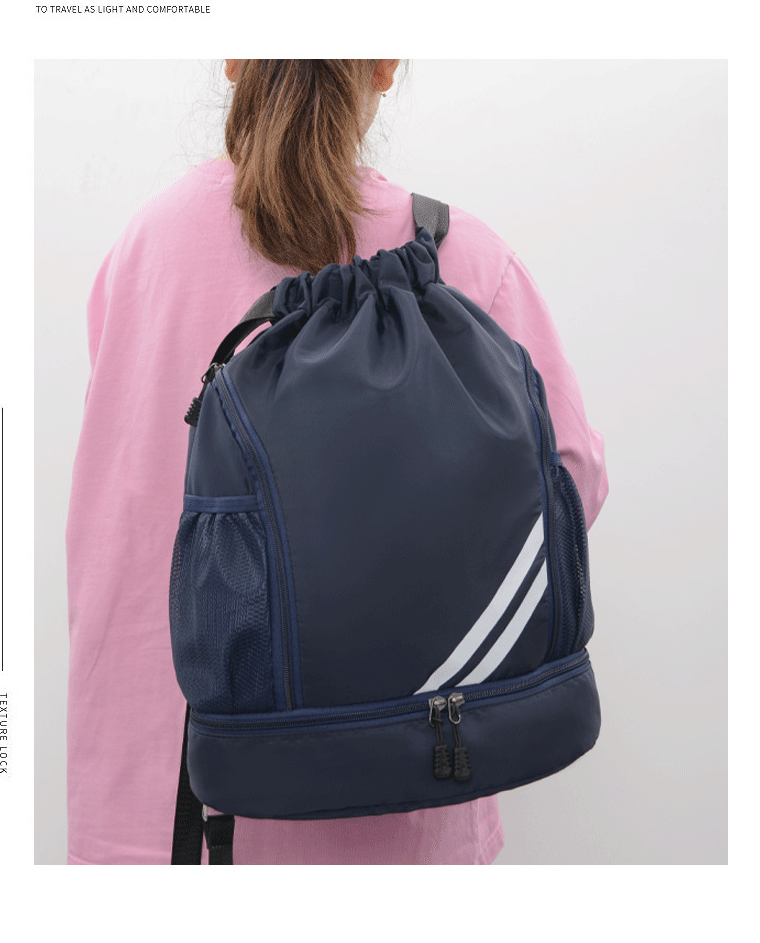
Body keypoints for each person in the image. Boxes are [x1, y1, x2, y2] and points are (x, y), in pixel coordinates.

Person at [66, 59, 609, 864]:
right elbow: (572, 481)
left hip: (156, 809)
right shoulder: (464, 258)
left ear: (235, 58)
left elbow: (125, 489)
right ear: (384, 67)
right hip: (410, 798)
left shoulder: (142, 252)